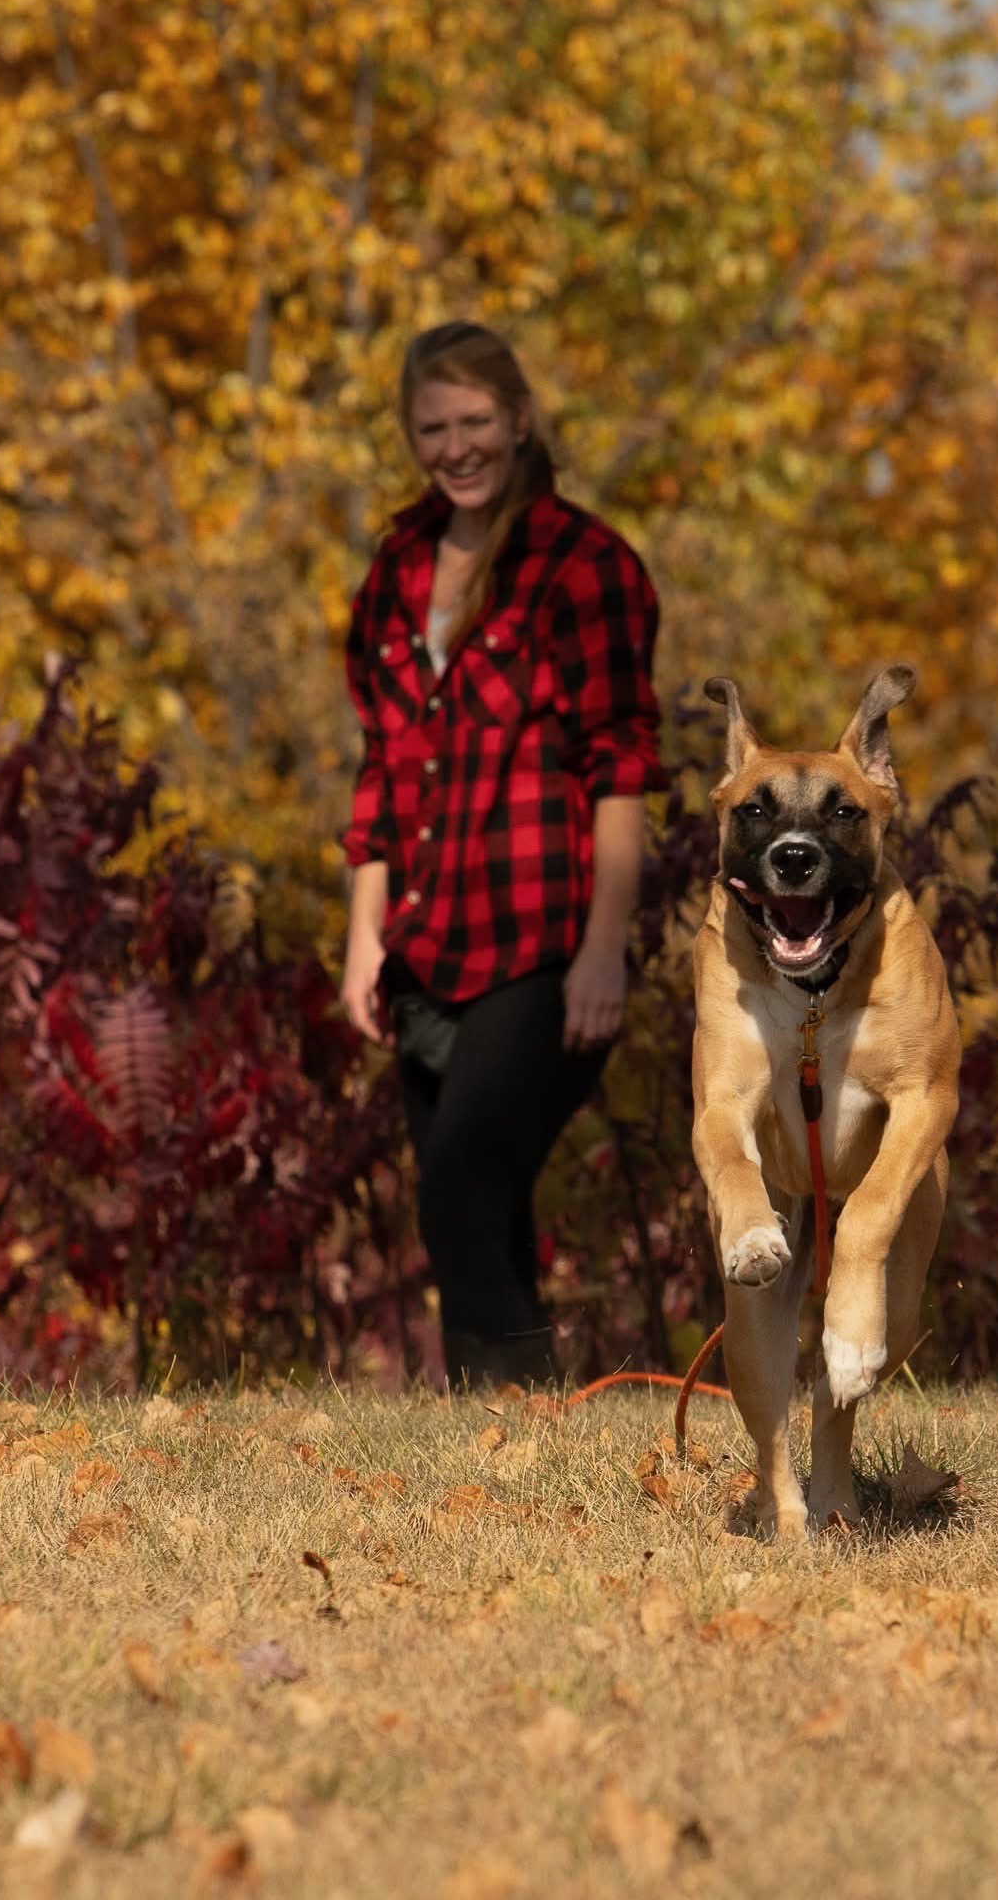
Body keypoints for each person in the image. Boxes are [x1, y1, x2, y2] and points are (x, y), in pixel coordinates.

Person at [339, 322, 665, 1388]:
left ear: (519, 420)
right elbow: (382, 764)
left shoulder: (586, 565)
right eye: (433, 428)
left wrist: (603, 950)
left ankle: (524, 1427)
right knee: (470, 1197)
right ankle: (495, 1450)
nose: (456, 445)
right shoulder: (396, 565)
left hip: (542, 941)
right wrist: (362, 937)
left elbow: (621, 763)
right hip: (425, 940)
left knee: (462, 1187)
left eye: (475, 421)